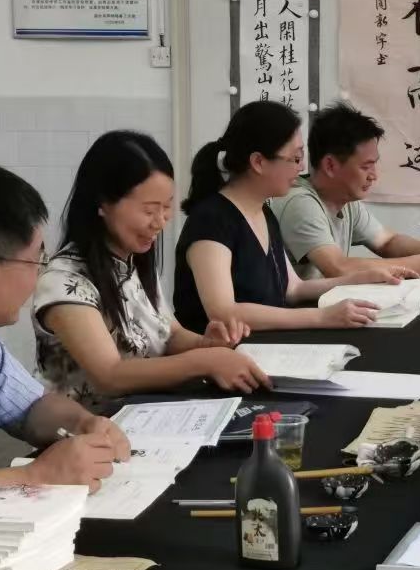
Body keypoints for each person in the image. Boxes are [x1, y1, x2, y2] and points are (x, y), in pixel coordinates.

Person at [34, 131, 272, 408]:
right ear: (103, 204)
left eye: (167, 208)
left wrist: (209, 344)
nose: (160, 222)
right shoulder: (64, 281)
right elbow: (110, 375)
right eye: (149, 210)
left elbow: (169, 334)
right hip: (87, 426)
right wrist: (205, 361)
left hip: (145, 412)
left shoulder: (132, 259)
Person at [0, 163, 130, 493]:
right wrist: (33, 475)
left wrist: (83, 422)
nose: (40, 274)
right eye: (36, 261)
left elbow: (31, 408)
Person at [174, 101, 412, 333]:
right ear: (258, 162)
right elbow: (223, 313)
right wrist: (322, 317)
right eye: (295, 159)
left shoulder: (263, 212)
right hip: (219, 353)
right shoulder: (211, 220)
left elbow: (293, 289)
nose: (301, 168)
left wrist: (361, 279)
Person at [271, 103, 420, 280]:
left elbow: (387, 242)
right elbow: (338, 267)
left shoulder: (344, 199)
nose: (374, 176)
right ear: (330, 165)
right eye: (365, 166)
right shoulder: (299, 203)